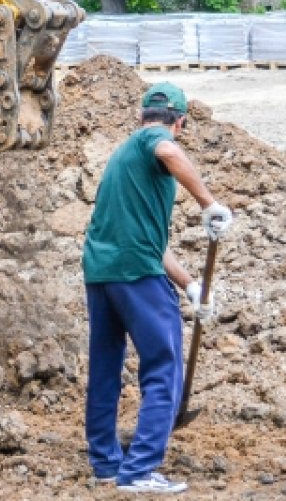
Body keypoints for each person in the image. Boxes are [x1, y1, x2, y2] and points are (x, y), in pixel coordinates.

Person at [82, 82, 232, 494]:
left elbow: (152, 242)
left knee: (105, 369)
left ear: (140, 114)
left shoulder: (124, 157)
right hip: (135, 274)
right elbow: (165, 149)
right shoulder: (155, 141)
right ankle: (139, 471)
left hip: (104, 272)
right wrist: (208, 203)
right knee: (164, 367)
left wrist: (190, 286)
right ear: (179, 123)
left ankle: (106, 463)